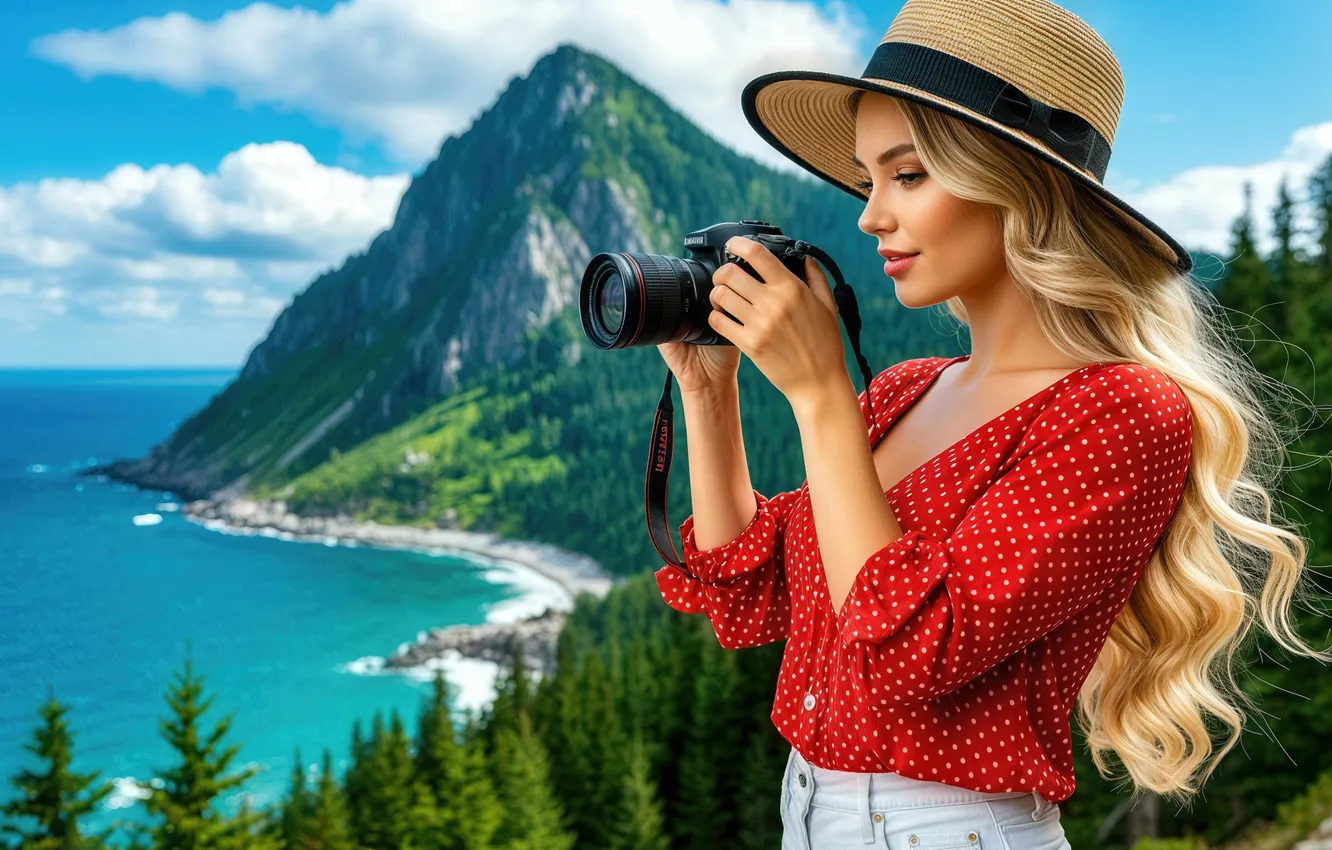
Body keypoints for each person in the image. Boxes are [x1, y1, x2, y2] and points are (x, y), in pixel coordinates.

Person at [653, 0, 1332, 847]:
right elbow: (753, 598)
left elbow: (913, 652)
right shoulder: (903, 390)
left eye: (907, 175)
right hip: (808, 814)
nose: (870, 216)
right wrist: (708, 390)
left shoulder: (1123, 412)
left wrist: (822, 394)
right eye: (868, 180)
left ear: (1018, 182)